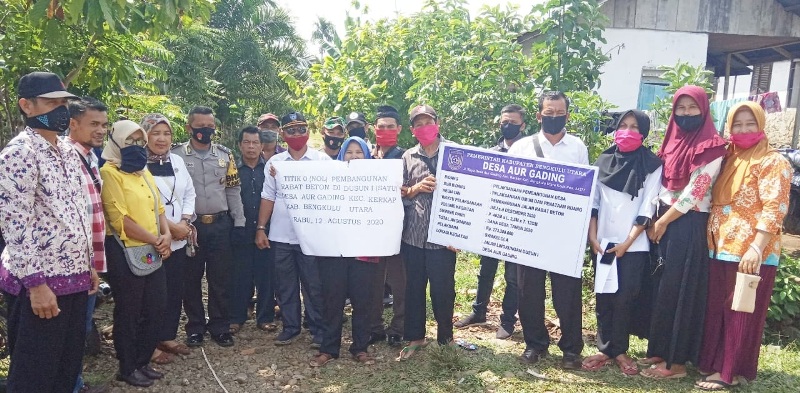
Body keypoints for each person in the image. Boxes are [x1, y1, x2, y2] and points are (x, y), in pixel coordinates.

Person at [0, 71, 98, 393]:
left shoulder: (69, 152)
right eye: (50, 102)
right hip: (40, 287)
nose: (60, 109)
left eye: (63, 102)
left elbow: (75, 212)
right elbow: (15, 225)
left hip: (74, 279)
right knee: (34, 375)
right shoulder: (19, 153)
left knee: (66, 370)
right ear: (26, 106)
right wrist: (36, 285)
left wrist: (88, 264)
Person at [695, 102, 791, 390]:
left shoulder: (773, 161)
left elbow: (775, 207)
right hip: (721, 245)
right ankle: (714, 363)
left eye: (750, 123)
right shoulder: (729, 157)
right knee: (719, 307)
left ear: (761, 125)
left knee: (740, 310)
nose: (744, 129)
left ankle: (730, 372)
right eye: (738, 124)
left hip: (751, 250)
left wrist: (756, 248)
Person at [640, 85, 727, 379]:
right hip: (665, 217)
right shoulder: (673, 143)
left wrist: (663, 222)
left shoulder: (711, 146)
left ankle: (676, 364)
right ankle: (662, 349)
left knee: (680, 290)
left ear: (704, 111)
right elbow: (663, 185)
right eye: (681, 108)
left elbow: (695, 192)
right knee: (664, 287)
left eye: (692, 108)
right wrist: (656, 217)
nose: (686, 114)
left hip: (687, 223)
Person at [508, 91, 589, 370]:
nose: (554, 117)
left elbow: (584, 192)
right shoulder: (520, 147)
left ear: (567, 114)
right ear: (539, 114)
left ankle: (571, 349)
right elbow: (509, 188)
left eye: (559, 113)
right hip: (529, 231)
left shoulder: (577, 147)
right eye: (548, 113)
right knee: (528, 290)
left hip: (565, 233)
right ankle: (535, 344)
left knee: (567, 292)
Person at [581, 110, 662, 376]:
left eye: (634, 127)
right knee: (604, 296)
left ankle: (620, 349)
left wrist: (627, 242)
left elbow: (647, 208)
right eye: (622, 126)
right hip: (603, 243)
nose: (627, 131)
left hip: (633, 246)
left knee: (626, 296)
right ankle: (605, 348)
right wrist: (593, 238)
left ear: (644, 133)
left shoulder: (652, 164)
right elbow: (593, 203)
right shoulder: (602, 160)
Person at [100, 120, 172, 387]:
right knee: (129, 312)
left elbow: (159, 209)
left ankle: (143, 360)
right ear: (117, 142)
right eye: (130, 142)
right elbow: (120, 219)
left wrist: (165, 235)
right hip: (125, 252)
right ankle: (127, 366)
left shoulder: (143, 172)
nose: (137, 147)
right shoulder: (110, 173)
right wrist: (156, 239)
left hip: (153, 249)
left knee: (156, 307)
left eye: (140, 142)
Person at [171, 106, 246, 348]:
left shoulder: (225, 155)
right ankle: (195, 327)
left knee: (220, 279)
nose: (206, 130)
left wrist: (240, 222)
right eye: (200, 126)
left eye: (210, 126)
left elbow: (233, 190)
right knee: (190, 279)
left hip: (220, 225)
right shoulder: (176, 157)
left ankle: (220, 327)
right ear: (189, 128)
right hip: (190, 228)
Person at [256, 111, 328, 347]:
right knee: (285, 285)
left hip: (312, 237)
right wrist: (261, 228)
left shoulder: (322, 161)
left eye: (301, 129)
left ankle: (318, 328)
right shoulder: (275, 163)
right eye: (291, 130)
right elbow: (268, 196)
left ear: (308, 132)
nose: (296, 134)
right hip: (281, 235)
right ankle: (291, 327)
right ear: (282, 134)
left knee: (314, 285)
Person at [455, 103, 526, 339]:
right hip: (492, 220)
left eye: (513, 123)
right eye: (504, 122)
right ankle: (479, 312)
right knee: (486, 269)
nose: (508, 126)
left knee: (513, 276)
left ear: (523, 125)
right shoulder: (492, 153)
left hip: (518, 223)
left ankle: (507, 321)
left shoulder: (531, 153)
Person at [310, 136, 379, 367]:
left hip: (364, 250)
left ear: (367, 156)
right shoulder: (329, 178)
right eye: (349, 152)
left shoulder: (377, 181)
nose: (353, 157)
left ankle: (360, 347)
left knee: (363, 301)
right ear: (341, 156)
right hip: (335, 250)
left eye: (359, 153)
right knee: (332, 300)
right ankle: (329, 348)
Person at [397, 104, 459, 360]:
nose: (425, 127)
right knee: (413, 288)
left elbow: (469, 194)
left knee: (444, 289)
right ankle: (416, 337)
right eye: (419, 124)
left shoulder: (456, 153)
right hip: (413, 235)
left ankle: (446, 337)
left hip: (444, 239)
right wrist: (416, 188)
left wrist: (461, 233)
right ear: (412, 130)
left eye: (428, 121)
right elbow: (399, 192)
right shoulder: (408, 157)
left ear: (438, 123)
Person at [141, 114, 196, 364]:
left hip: (179, 238)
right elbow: (139, 204)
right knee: (151, 294)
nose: (162, 139)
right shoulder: (136, 163)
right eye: (155, 133)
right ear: (145, 135)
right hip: (152, 239)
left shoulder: (177, 161)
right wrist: (170, 228)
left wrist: (184, 223)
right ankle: (148, 342)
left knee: (175, 290)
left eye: (166, 133)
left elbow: (189, 193)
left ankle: (167, 335)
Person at [67, 97, 110, 393]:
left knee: (78, 328)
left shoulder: (92, 158)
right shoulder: (65, 156)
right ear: (73, 124)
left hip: (91, 261)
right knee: (67, 332)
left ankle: (75, 382)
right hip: (69, 262)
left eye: (104, 125)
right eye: (93, 124)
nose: (100, 130)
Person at [230, 126, 278, 333]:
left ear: (262, 146)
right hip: (239, 230)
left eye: (255, 143)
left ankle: (265, 316)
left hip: (265, 230)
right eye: (247, 142)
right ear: (240, 145)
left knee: (265, 276)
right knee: (239, 276)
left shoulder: (270, 169)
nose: (251, 147)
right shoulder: (231, 169)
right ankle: (236, 317)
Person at [367, 105, 407, 348]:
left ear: (399, 129)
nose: (385, 131)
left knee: (400, 281)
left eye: (390, 127)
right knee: (372, 281)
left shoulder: (406, 157)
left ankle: (399, 327)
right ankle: (373, 326)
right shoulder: (365, 157)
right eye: (381, 127)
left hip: (399, 230)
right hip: (371, 230)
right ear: (374, 129)